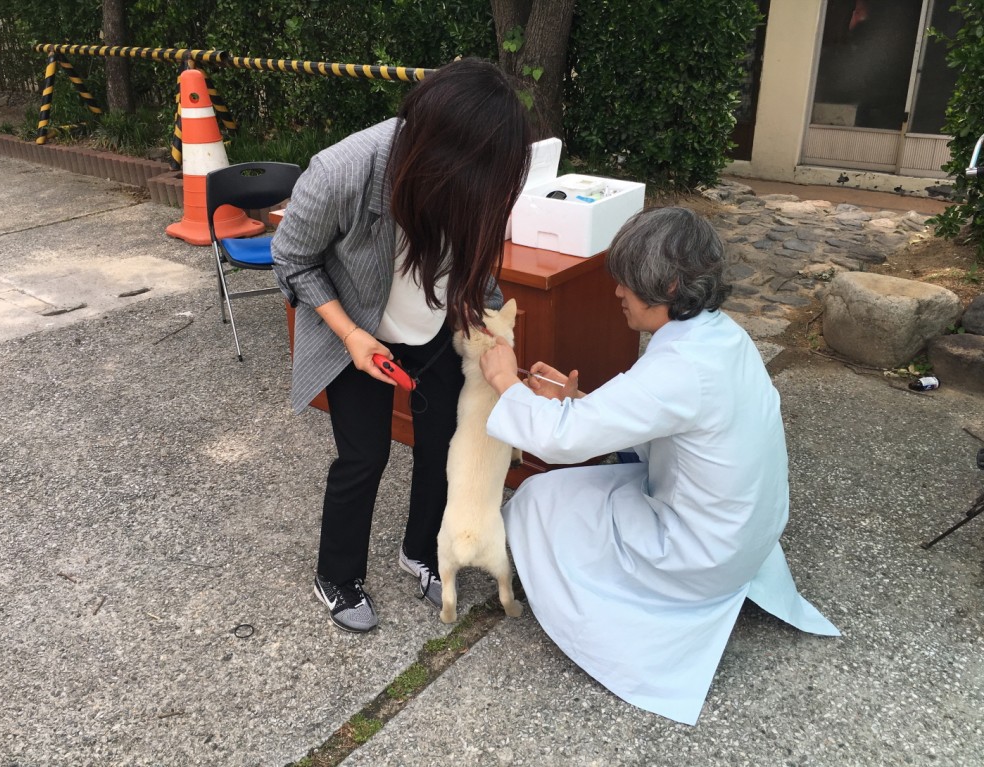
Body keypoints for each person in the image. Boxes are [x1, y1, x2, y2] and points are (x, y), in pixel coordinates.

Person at [479, 206, 840, 725]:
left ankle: (614, 620)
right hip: (744, 535)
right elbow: (653, 416)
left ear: (668, 285)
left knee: (538, 499)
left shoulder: (680, 366)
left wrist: (504, 382)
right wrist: (579, 399)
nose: (618, 293)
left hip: (702, 556)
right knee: (591, 486)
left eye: (627, 282)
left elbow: (563, 440)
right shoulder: (721, 337)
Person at [270, 58, 533, 633]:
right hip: (357, 329)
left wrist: (497, 335)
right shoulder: (343, 170)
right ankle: (336, 576)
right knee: (364, 456)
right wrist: (351, 334)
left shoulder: (468, 179)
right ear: (437, 147)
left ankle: (420, 550)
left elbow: (477, 269)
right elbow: (290, 259)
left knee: (443, 444)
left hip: (433, 328)